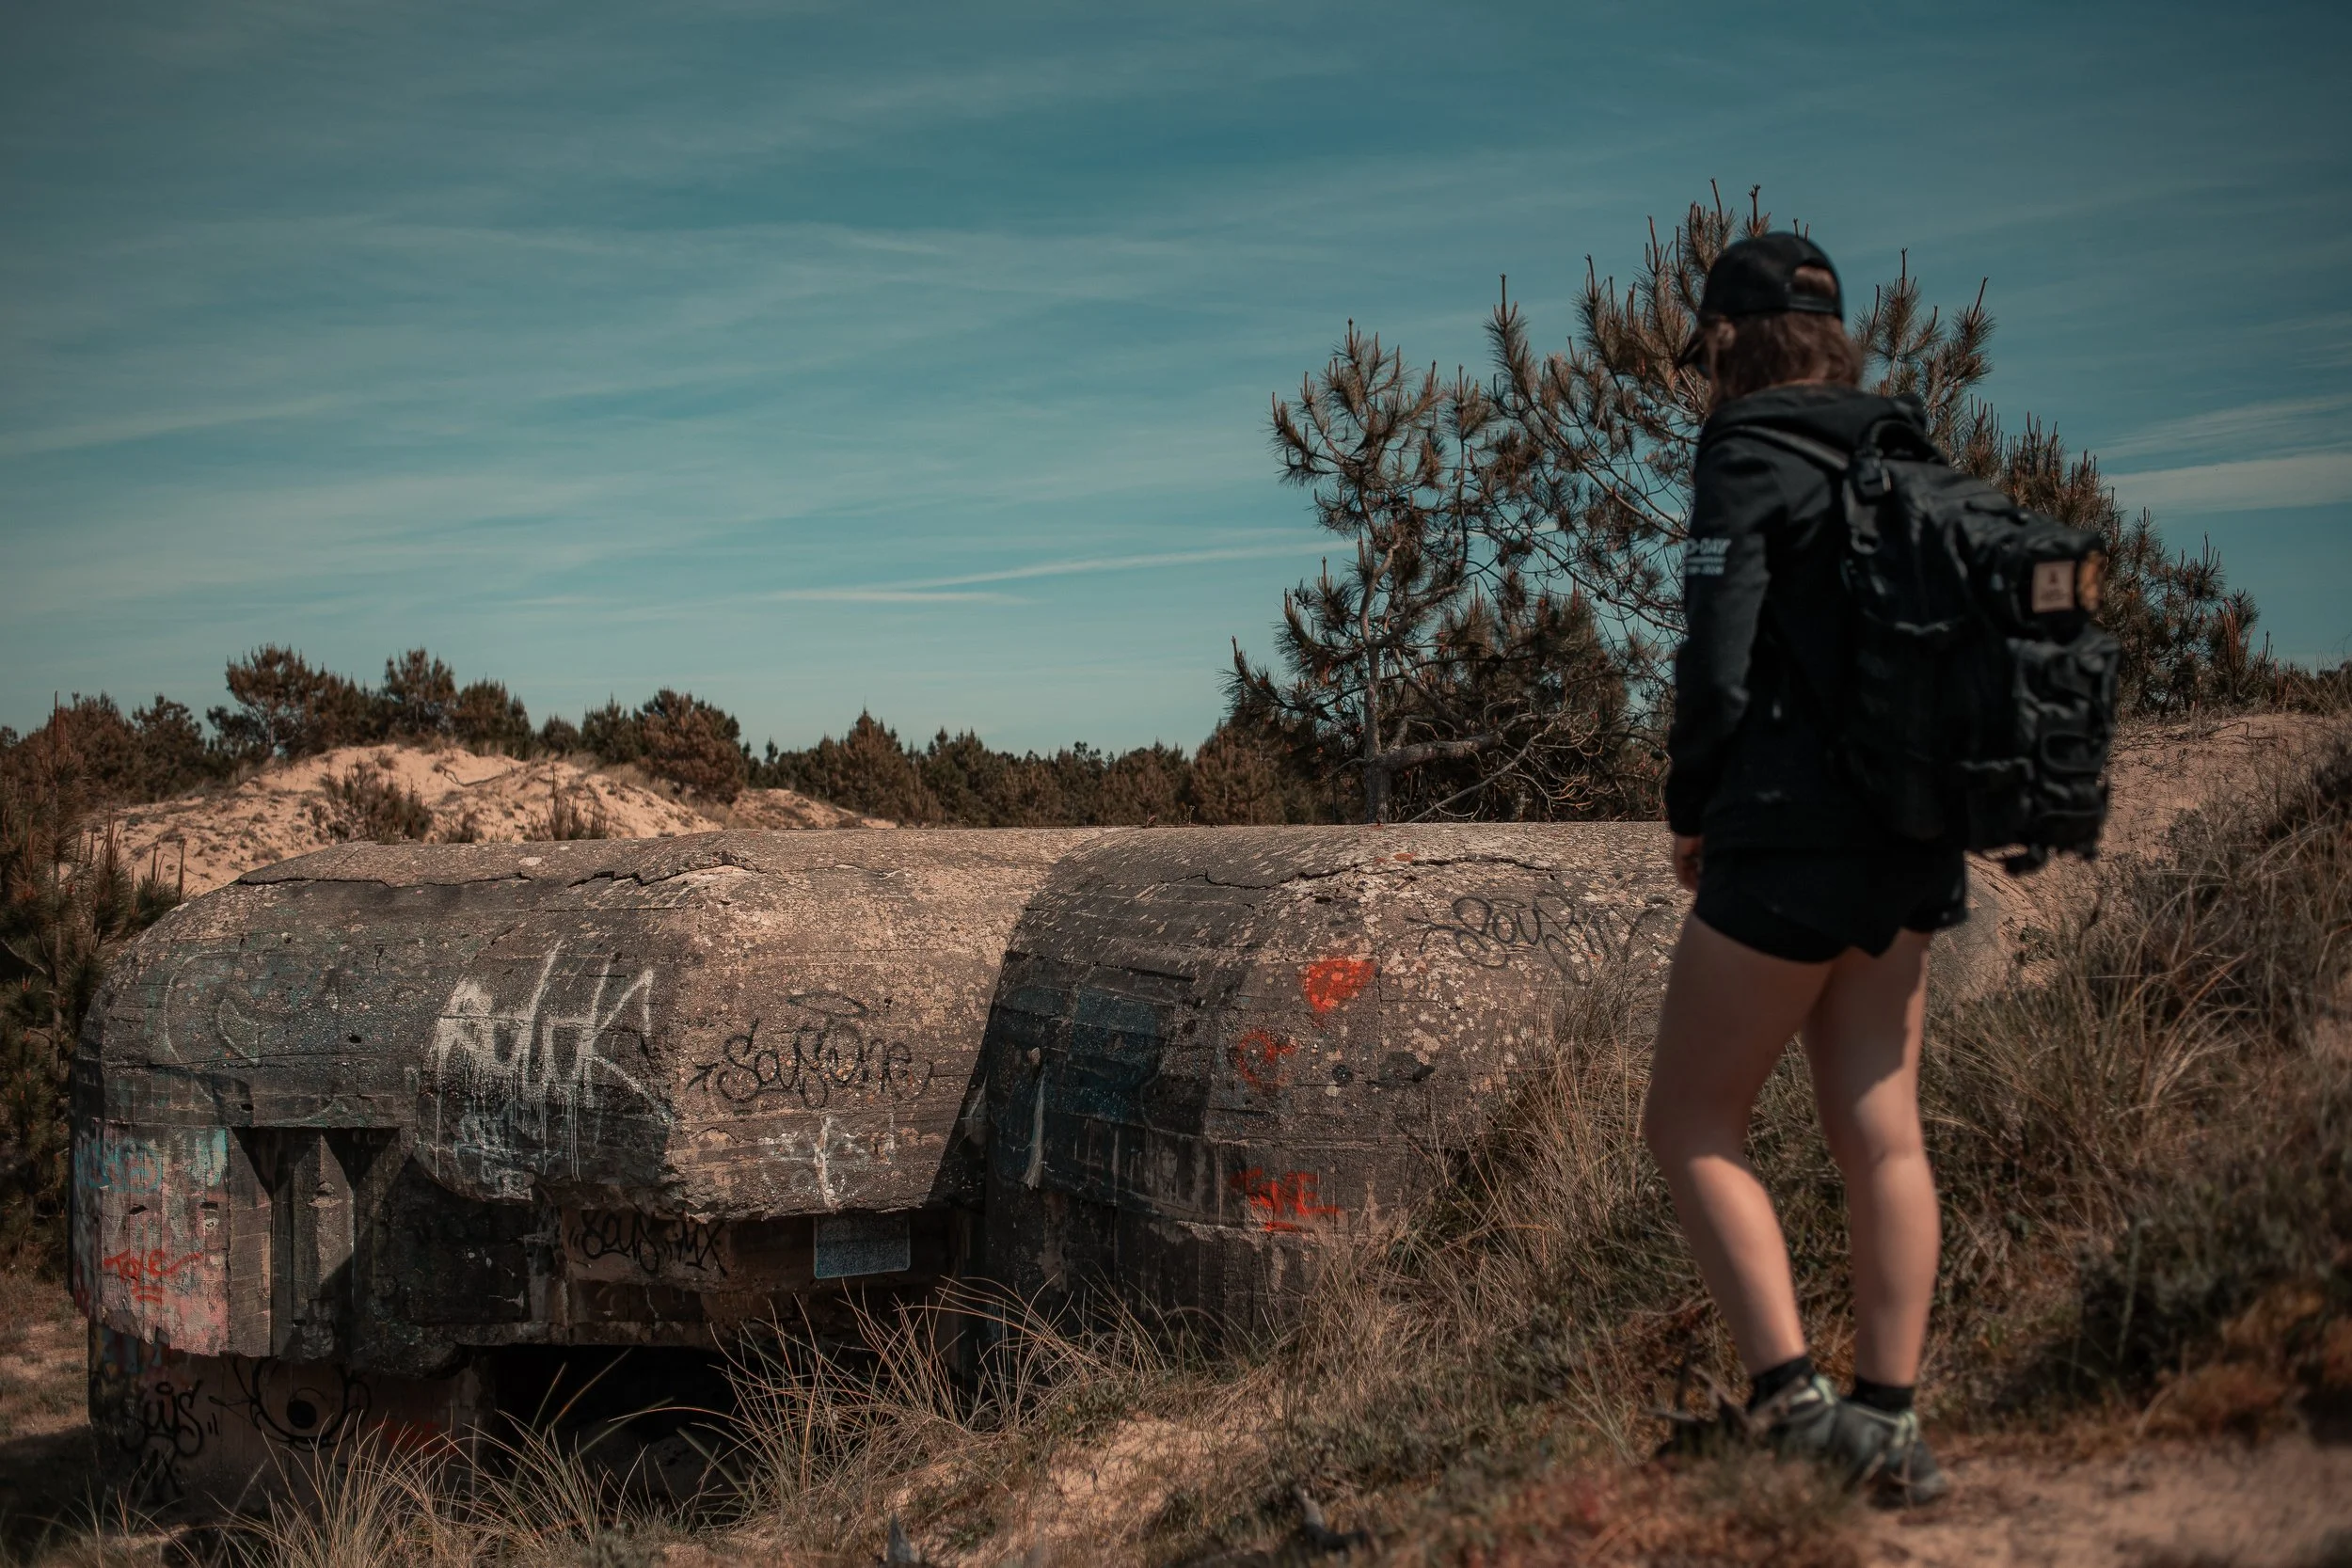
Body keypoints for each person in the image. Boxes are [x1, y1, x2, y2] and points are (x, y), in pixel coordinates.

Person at [1641, 231, 1957, 1506]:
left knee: (1688, 1119)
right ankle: (1889, 1416)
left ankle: (1790, 1400)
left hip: (1790, 829)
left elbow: (1717, 651)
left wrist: (1692, 803)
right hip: (1914, 833)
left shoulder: (1745, 446)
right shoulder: (1906, 444)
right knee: (1881, 1125)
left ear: (1725, 343)